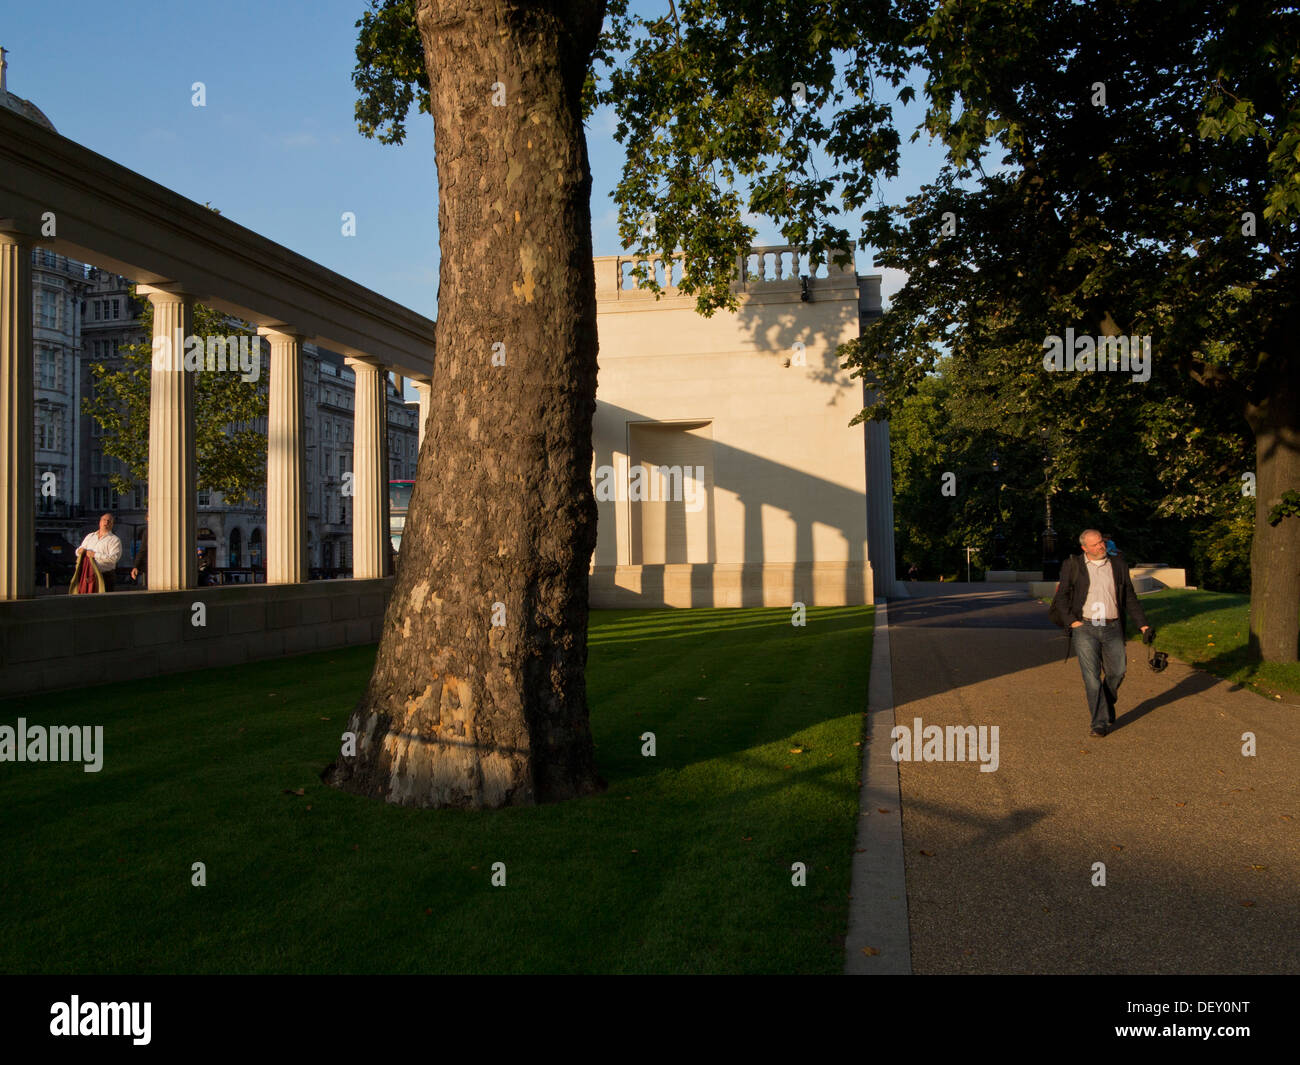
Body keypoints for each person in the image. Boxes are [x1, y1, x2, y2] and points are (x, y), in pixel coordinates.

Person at [1051, 528, 1149, 737]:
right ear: (1084, 548)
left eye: (1102, 543)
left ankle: (1104, 703)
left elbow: (1129, 597)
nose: (1101, 547)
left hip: (1113, 627)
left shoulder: (1118, 565)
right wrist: (1072, 622)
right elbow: (1062, 597)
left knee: (1117, 672)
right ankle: (1099, 722)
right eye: (1095, 544)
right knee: (1092, 679)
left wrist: (1143, 625)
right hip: (1084, 627)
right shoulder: (1073, 565)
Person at [75, 513, 123, 592]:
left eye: (109, 521)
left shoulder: (115, 540)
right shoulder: (90, 536)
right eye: (104, 520)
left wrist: (95, 555)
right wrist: (79, 551)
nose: (106, 522)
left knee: (104, 602)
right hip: (88, 575)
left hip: (105, 576)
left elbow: (114, 558)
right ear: (100, 522)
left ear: (112, 524)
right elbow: (78, 551)